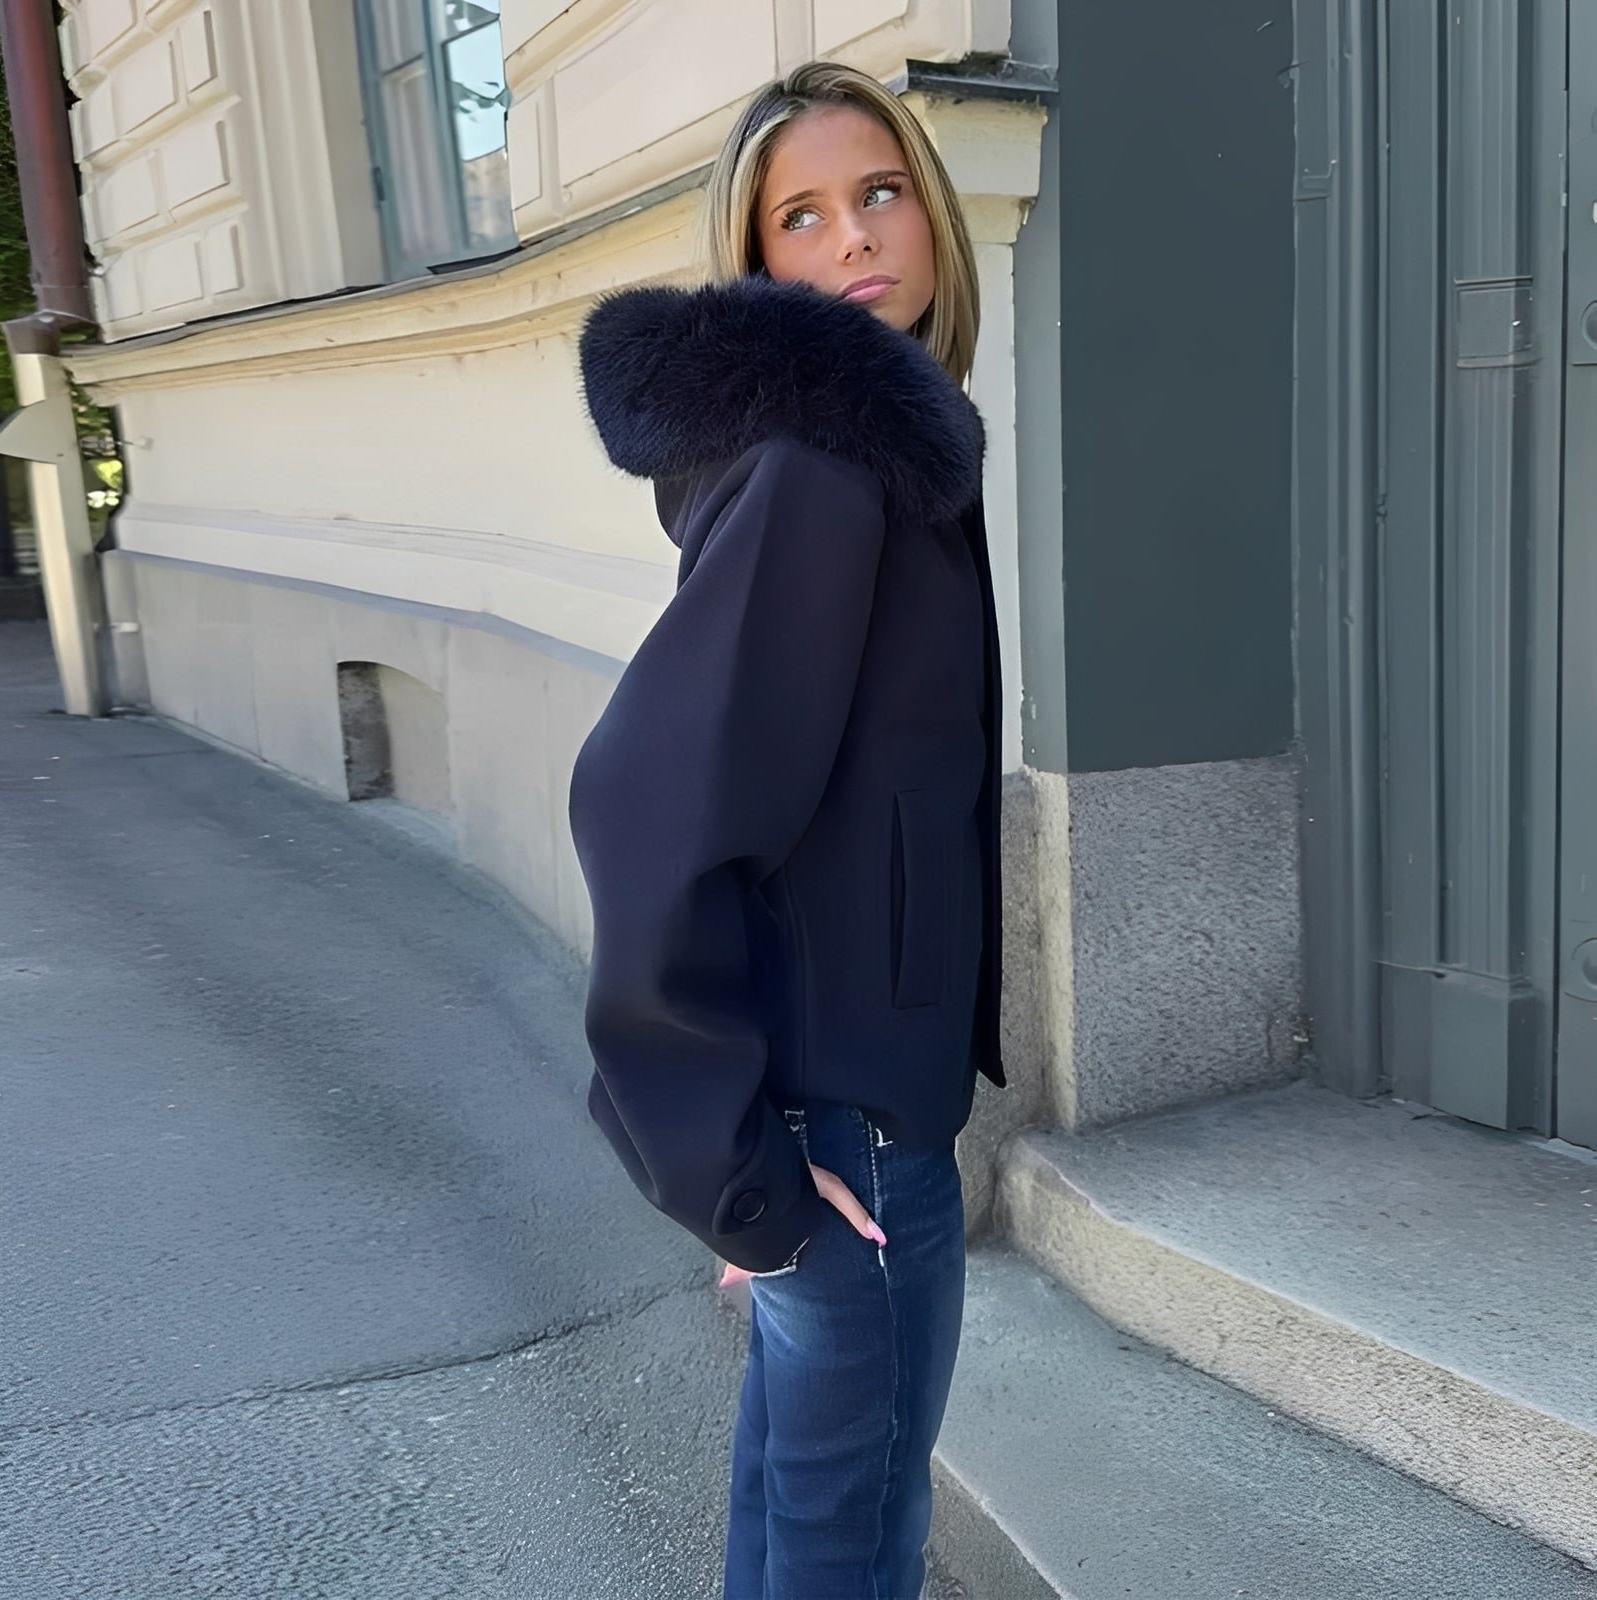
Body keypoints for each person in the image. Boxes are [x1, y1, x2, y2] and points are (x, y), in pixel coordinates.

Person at [568, 57, 1006, 1600]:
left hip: (831, 1118)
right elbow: (649, 803)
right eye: (800, 216)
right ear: (755, 261)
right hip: (846, 1146)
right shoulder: (823, 472)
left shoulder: (880, 458)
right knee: (852, 1544)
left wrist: (742, 1157)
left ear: (933, 213)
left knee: (801, 1519)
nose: (855, 237)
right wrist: (730, 1166)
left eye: (879, 192)